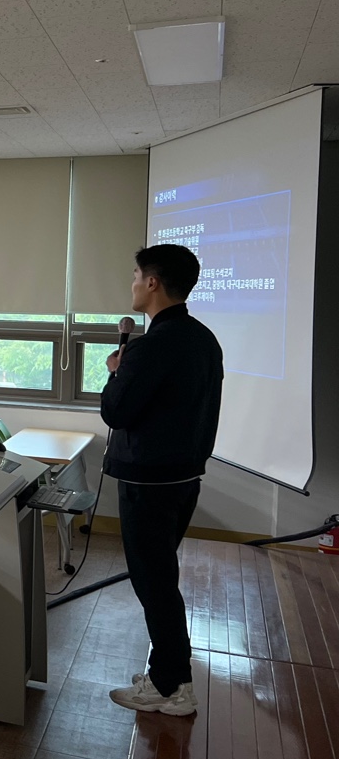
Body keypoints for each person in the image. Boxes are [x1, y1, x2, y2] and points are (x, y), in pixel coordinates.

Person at [103, 244, 223, 718]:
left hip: (147, 482)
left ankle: (172, 685)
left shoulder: (151, 346)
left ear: (152, 282)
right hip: (184, 477)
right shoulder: (203, 338)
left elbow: (116, 412)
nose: (133, 284)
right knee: (160, 579)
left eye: (136, 276)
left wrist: (116, 374)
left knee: (154, 584)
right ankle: (167, 674)